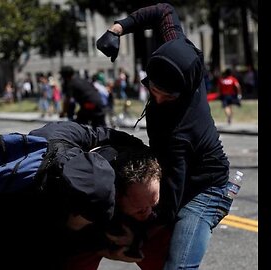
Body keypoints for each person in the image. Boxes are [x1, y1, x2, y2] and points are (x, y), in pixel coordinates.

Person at [97, 3, 233, 269]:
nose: (157, 97)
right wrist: (117, 29)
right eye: (152, 87)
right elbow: (163, 11)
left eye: (166, 95)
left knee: (176, 266)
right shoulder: (177, 49)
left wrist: (140, 228)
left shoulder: (181, 133)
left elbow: (169, 202)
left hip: (206, 190)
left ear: (182, 90)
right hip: (176, 172)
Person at [0, 121, 161, 270]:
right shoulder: (35, 214)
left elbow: (100, 133)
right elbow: (53, 253)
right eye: (142, 208)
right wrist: (104, 249)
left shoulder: (57, 138)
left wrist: (142, 152)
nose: (150, 212)